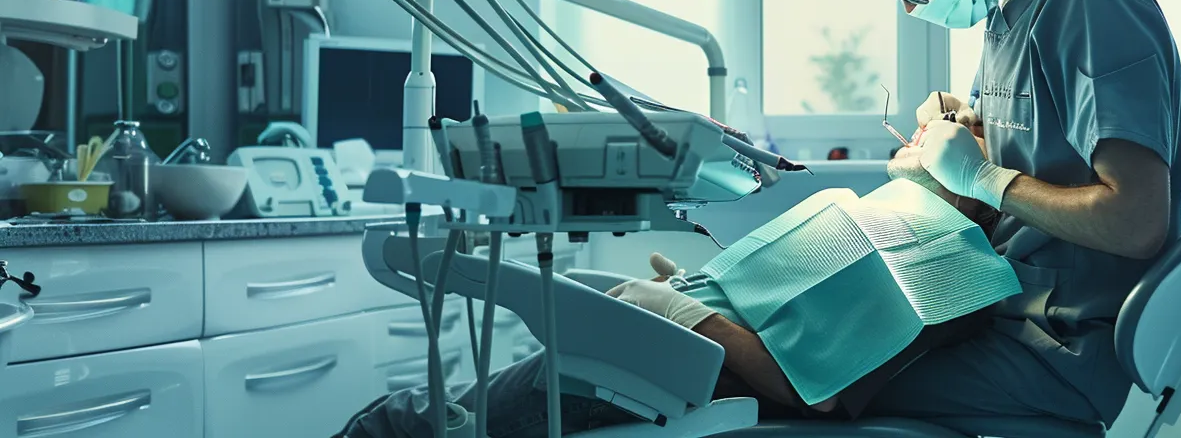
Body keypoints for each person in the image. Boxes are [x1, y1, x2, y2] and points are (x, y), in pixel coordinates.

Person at [841, 0, 1181, 431]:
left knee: (820, 385)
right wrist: (961, 132)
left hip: (1058, 349)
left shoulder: (1092, 4)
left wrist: (983, 176)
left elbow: (1137, 222)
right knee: (822, 344)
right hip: (997, 313)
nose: (909, 7)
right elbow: (1033, 151)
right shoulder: (1008, 11)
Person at [336, 147, 1001, 438]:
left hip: (653, 371)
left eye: (940, 135)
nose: (914, 136)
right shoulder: (893, 226)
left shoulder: (931, 262)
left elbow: (817, 390)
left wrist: (687, 315)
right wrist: (689, 294)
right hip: (654, 352)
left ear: (969, 173)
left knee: (400, 425)